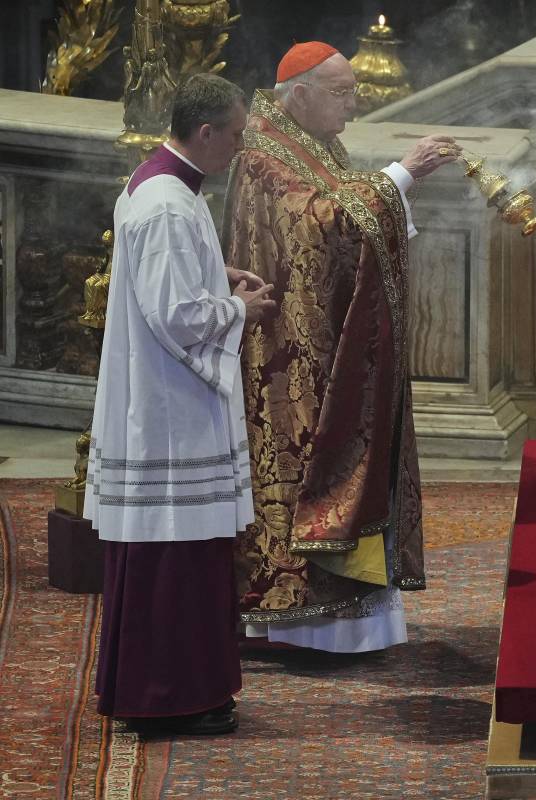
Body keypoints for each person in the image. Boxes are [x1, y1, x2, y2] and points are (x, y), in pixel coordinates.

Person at [224, 42, 460, 652]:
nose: (353, 106)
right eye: (342, 93)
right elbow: (320, 220)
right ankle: (302, 624)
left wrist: (390, 186)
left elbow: (344, 208)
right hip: (289, 354)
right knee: (307, 466)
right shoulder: (262, 151)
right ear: (300, 93)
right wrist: (401, 174)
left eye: (354, 92)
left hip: (326, 338)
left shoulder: (311, 139)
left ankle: (349, 616)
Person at [85, 74, 276, 735]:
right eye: (236, 135)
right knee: (175, 553)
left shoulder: (162, 183)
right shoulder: (168, 203)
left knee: (181, 549)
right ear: (205, 131)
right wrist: (238, 309)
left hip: (163, 401)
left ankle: (181, 690)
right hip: (169, 410)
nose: (240, 146)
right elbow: (173, 313)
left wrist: (216, 274)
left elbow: (162, 279)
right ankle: (168, 697)